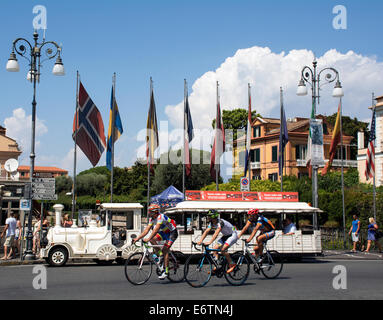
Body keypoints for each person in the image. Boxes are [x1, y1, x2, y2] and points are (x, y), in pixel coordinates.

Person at [133, 204, 178, 280]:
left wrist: (148, 238)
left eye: (149, 211)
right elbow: (146, 230)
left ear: (155, 212)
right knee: (152, 240)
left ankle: (166, 272)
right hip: (164, 232)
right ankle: (160, 255)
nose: (148, 213)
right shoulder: (152, 219)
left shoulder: (161, 217)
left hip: (172, 233)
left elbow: (155, 230)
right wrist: (137, 238)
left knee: (165, 250)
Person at [197, 210, 238, 274]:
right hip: (226, 236)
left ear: (213, 216)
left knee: (223, 249)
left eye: (209, 216)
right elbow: (206, 231)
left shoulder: (220, 222)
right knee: (215, 248)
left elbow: (216, 233)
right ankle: (217, 266)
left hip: (233, 235)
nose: (208, 218)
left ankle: (232, 264)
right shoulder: (211, 223)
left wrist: (210, 242)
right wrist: (200, 240)